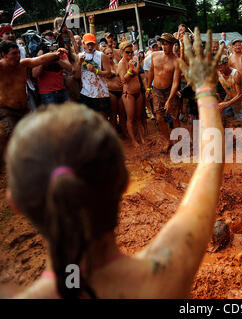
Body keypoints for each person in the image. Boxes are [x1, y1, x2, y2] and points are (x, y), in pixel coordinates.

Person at [7, 28, 226, 299]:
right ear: (123, 182)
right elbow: (211, 160)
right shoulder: (163, 275)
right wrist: (205, 86)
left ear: (15, 202)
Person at [0, 41, 67, 157]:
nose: (18, 56)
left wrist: (56, 54)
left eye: (18, 53)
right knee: (14, 139)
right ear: (3, 55)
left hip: (24, 109)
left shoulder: (23, 64)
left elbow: (40, 60)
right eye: (14, 53)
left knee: (35, 134)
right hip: (6, 111)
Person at [145, 33, 181, 153]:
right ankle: (168, 140)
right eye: (163, 44)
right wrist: (148, 88)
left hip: (170, 90)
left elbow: (176, 82)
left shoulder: (176, 61)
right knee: (159, 118)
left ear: (172, 45)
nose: (164, 46)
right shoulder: (154, 55)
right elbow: (150, 72)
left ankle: (177, 141)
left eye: (167, 44)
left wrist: (169, 100)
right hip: (156, 90)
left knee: (174, 117)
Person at [73, 33, 112, 118]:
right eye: (88, 44)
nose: (90, 47)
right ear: (83, 44)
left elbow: (108, 72)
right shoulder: (79, 56)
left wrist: (95, 71)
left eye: (92, 44)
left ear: (95, 44)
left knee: (103, 120)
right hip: (86, 93)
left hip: (101, 93)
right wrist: (79, 63)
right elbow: (76, 76)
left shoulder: (101, 55)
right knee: (90, 122)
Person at [118, 41, 145, 147]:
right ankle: (133, 140)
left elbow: (137, 72)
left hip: (138, 93)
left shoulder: (132, 60)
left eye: (131, 52)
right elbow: (123, 80)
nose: (130, 54)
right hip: (128, 94)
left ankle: (142, 138)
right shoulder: (121, 63)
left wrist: (137, 63)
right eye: (127, 52)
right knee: (130, 119)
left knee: (139, 118)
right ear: (122, 52)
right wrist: (129, 70)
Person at [217, 55, 242, 122]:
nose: (219, 69)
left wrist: (226, 104)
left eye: (220, 66)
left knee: (240, 119)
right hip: (229, 95)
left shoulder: (236, 75)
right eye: (217, 67)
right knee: (223, 115)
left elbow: (240, 95)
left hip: (240, 97)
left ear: (226, 64)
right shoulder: (218, 73)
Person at [104, 47, 125, 132]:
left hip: (120, 92)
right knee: (113, 114)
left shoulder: (117, 65)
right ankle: (114, 133)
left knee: (122, 113)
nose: (110, 55)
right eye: (107, 53)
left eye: (111, 53)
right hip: (111, 92)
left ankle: (123, 130)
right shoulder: (103, 66)